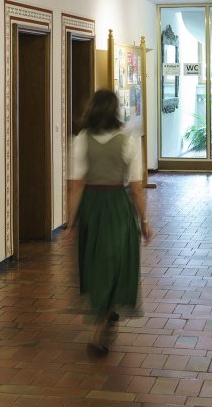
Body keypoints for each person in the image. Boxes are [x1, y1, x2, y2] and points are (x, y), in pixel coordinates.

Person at [66, 89, 152, 354]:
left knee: (95, 262)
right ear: (116, 110)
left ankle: (103, 315)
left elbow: (77, 185)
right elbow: (136, 187)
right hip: (117, 206)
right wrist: (144, 220)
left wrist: (71, 222)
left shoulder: (81, 140)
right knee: (117, 262)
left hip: (92, 207)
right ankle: (105, 317)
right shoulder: (128, 141)